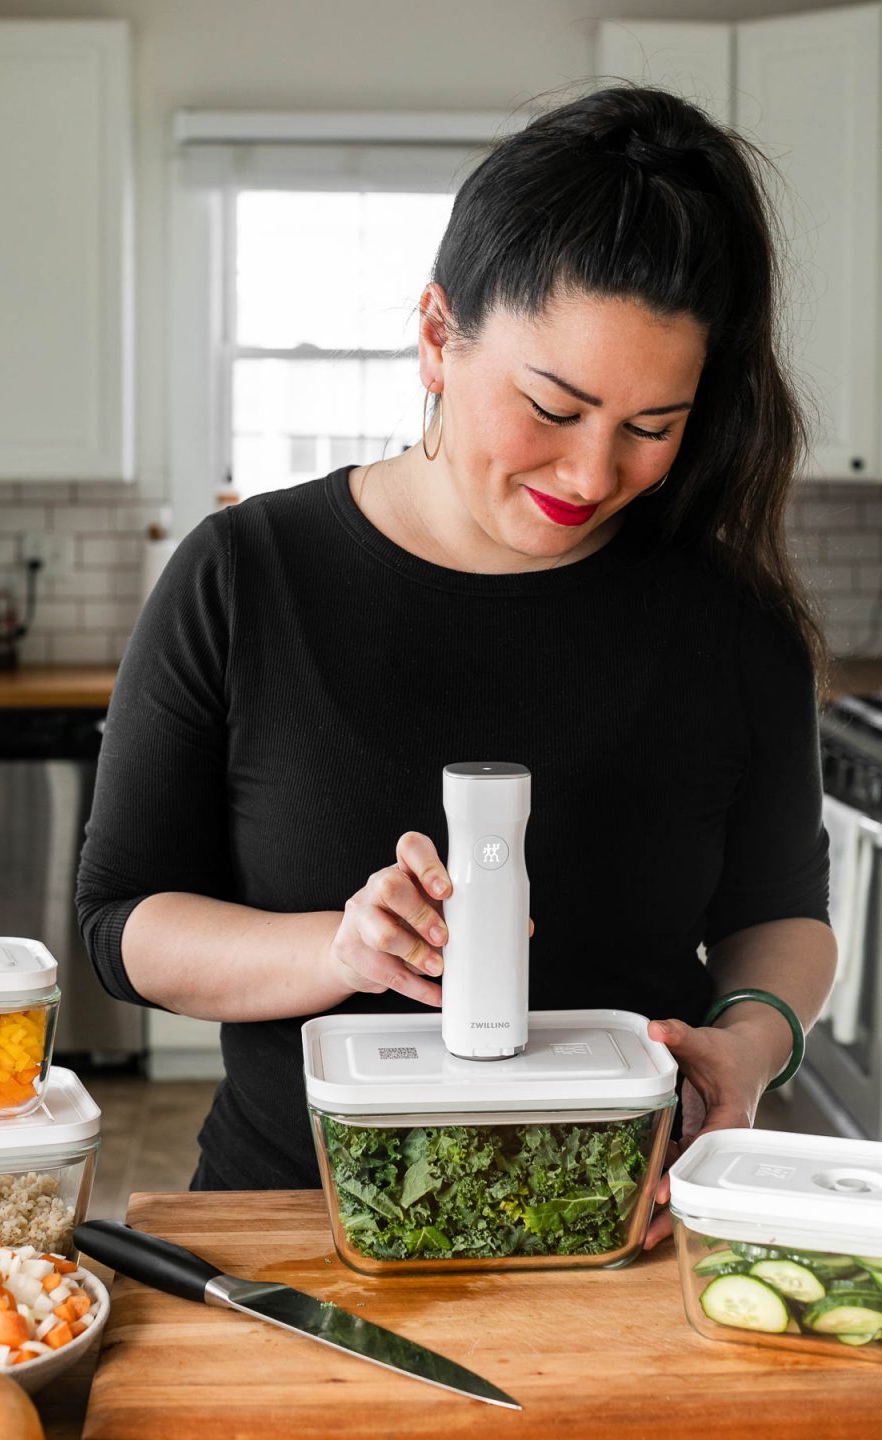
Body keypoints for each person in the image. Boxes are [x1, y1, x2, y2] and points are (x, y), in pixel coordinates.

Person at [77, 84, 837, 1246]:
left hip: (624, 1236)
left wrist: (748, 1039)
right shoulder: (246, 575)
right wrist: (336, 947)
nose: (590, 474)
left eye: (651, 427)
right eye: (552, 405)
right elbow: (120, 924)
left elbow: (780, 914)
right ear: (438, 335)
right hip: (301, 1233)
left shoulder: (731, 624)